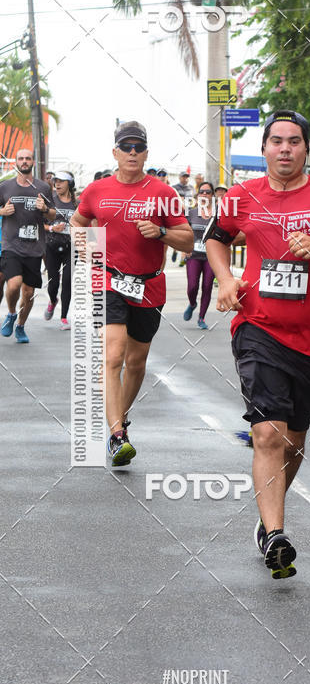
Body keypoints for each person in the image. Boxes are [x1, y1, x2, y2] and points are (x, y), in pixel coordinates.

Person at [206, 109, 310, 578]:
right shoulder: (241, 196)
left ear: (305, 149)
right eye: (276, 140)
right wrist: (225, 279)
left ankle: (267, 519)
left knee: (294, 443)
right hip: (257, 326)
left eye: (294, 141)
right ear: (264, 149)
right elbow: (216, 239)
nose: (284, 149)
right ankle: (276, 534)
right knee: (267, 434)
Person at [71, 121, 193, 467]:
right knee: (113, 355)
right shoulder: (97, 190)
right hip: (107, 280)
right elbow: (79, 222)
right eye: (126, 147)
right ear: (115, 152)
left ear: (146, 153)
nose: (133, 152)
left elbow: (187, 240)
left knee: (136, 362)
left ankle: (119, 420)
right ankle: (116, 434)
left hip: (149, 284)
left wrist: (160, 232)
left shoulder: (163, 193)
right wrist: (85, 248)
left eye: (139, 147)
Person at [0, 147, 56, 343]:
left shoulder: (43, 188)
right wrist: (2, 212)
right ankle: (12, 313)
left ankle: (21, 326)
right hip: (11, 245)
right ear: (16, 162)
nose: (24, 161)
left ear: (33, 162)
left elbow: (53, 214)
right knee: (14, 284)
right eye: (21, 158)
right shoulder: (5, 187)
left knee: (29, 292)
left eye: (28, 158)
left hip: (34, 247)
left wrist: (45, 209)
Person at [44, 171, 78, 330]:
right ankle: (52, 300)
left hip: (71, 247)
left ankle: (64, 317)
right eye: (55, 181)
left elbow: (86, 223)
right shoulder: (49, 201)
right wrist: (52, 228)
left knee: (68, 281)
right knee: (53, 283)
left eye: (61, 181)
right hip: (51, 246)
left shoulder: (77, 203)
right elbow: (39, 224)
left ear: (69, 184)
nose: (57, 184)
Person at [183, 181, 215, 328]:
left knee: (207, 286)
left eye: (208, 192)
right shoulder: (191, 213)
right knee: (192, 286)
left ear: (212, 195)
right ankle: (192, 303)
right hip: (194, 254)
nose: (204, 194)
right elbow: (184, 232)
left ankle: (201, 318)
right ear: (198, 195)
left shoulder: (217, 214)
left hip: (211, 257)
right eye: (202, 191)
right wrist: (184, 249)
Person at [172, 171, 194, 262]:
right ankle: (175, 250)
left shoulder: (191, 188)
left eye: (186, 177)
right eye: (183, 177)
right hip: (177, 214)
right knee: (178, 234)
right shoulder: (174, 188)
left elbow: (194, 200)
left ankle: (183, 257)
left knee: (186, 235)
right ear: (179, 177)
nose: (185, 178)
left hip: (189, 213)